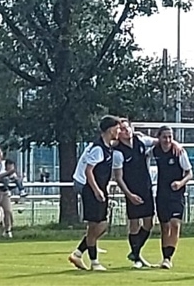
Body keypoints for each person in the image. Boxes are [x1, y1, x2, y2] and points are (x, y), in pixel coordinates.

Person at [69, 115, 123, 271]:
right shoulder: (98, 148)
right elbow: (89, 171)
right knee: (94, 227)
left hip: (100, 190)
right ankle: (94, 262)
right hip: (92, 191)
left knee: (102, 226)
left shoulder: (107, 146)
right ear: (110, 130)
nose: (119, 131)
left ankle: (78, 253)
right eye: (117, 128)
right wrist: (97, 190)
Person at [111, 119, 157, 268]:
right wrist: (129, 195)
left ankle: (135, 253)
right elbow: (118, 178)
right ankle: (137, 258)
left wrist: (175, 144)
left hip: (146, 188)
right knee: (134, 224)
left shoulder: (141, 141)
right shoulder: (118, 153)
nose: (127, 131)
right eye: (123, 129)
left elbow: (159, 141)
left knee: (149, 223)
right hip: (132, 191)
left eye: (128, 128)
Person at [152, 126, 192, 269]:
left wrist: (180, 183)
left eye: (170, 137)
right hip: (162, 193)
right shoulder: (155, 151)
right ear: (159, 137)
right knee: (164, 226)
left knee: (175, 224)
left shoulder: (179, 152)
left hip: (176, 194)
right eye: (165, 137)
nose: (168, 140)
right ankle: (164, 257)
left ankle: (168, 258)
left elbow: (189, 173)